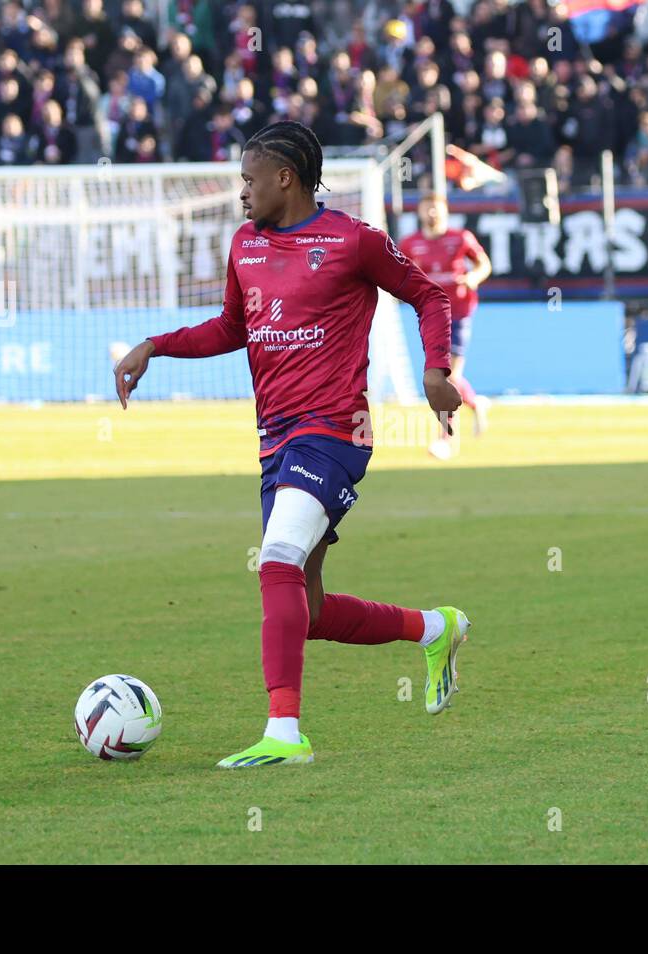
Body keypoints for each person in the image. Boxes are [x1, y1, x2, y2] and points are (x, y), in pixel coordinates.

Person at [112, 121, 471, 767]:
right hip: (276, 440)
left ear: (285, 177)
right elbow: (231, 327)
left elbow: (428, 294)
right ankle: (436, 627)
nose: (241, 193)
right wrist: (156, 345)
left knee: (274, 559)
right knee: (304, 611)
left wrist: (435, 368)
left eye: (249, 179)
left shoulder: (352, 241)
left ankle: (285, 734)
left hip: (335, 431)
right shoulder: (245, 244)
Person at [398, 191, 493, 459]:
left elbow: (484, 264)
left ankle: (446, 439)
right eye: (427, 208)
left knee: (445, 377)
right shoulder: (410, 244)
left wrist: (474, 277)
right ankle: (476, 404)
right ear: (419, 213)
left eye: (436, 209)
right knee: (445, 377)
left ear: (445, 212)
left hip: (459, 313)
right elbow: (398, 274)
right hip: (431, 316)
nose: (431, 214)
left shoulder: (460, 238)